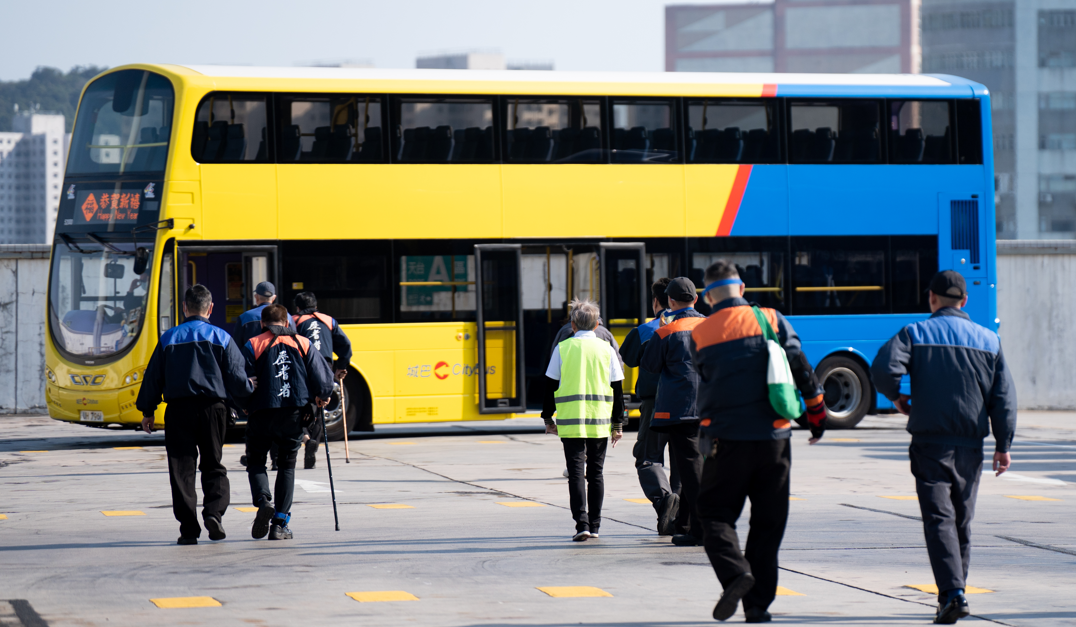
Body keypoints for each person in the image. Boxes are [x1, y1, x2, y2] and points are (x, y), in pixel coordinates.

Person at [871, 270, 1016, 625]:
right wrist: (1003, 444)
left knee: (939, 520)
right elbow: (1004, 398)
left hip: (930, 442)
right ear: (965, 301)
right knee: (961, 522)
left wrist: (898, 398)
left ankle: (952, 594)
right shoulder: (989, 340)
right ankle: (955, 593)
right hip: (970, 446)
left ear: (932, 298)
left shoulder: (915, 333)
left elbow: (882, 369)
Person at [690, 260, 827, 623]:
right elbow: (801, 368)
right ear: (743, 288)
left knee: (715, 515)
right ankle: (757, 608)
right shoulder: (771, 318)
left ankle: (736, 575)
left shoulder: (701, 333)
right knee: (768, 523)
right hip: (774, 439)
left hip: (725, 439)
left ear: (707, 296)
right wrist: (816, 417)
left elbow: (704, 377)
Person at [136, 285, 256, 546]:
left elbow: (154, 377)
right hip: (214, 410)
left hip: (178, 411)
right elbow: (236, 377)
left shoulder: (169, 338)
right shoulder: (221, 337)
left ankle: (189, 529)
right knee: (213, 464)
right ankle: (214, 514)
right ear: (210, 308)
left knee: (182, 470)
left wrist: (148, 410)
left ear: (184, 307)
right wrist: (248, 396)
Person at [242, 304, 335, 541]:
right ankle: (280, 523)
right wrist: (322, 395)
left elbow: (239, 378)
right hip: (293, 415)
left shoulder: (253, 344)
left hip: (261, 413)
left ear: (262, 323)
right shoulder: (303, 343)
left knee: (256, 461)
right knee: (287, 465)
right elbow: (322, 376)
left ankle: (263, 501)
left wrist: (242, 403)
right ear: (287, 323)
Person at [542, 299, 625, 542]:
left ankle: (582, 524)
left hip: (571, 422)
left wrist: (548, 418)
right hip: (599, 421)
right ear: (597, 324)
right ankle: (596, 525)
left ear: (573, 325)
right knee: (596, 474)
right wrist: (617, 425)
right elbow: (618, 391)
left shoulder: (563, 348)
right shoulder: (607, 350)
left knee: (576, 473)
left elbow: (550, 387)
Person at [641, 277, 707, 547]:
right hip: (710, 405)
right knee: (694, 466)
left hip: (681, 409)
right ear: (696, 299)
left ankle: (702, 529)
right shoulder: (712, 326)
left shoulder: (666, 331)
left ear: (669, 301)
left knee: (690, 470)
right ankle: (685, 524)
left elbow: (650, 365)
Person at [619, 277, 680, 535]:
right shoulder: (699, 325)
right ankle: (681, 517)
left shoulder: (645, 331)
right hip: (690, 404)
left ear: (656, 301)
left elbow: (628, 358)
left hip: (654, 404)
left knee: (647, 458)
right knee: (684, 461)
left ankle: (665, 500)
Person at [293, 291, 353, 469]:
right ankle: (313, 448)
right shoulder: (329, 320)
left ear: (298, 307)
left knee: (299, 406)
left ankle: (306, 437)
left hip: (303, 365)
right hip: (325, 366)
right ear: (316, 305)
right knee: (319, 409)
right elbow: (345, 345)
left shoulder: (294, 320)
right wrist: (342, 366)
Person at [232, 281, 295, 349]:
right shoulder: (287, 316)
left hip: (252, 357)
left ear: (256, 297)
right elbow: (293, 341)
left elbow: (237, 346)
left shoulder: (244, 317)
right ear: (274, 298)